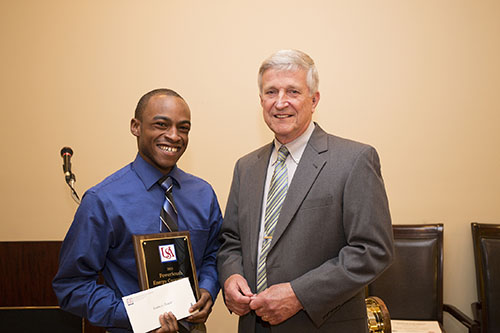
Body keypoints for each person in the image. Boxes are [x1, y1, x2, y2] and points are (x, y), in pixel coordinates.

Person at [217, 49, 394, 332]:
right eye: (271, 92)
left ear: (314, 100)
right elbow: (231, 240)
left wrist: (300, 294)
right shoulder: (246, 167)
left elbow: (372, 250)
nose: (280, 102)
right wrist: (231, 276)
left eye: (293, 91)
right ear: (261, 100)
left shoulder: (354, 160)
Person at [53, 88, 222, 332]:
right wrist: (138, 317)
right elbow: (72, 286)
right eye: (161, 124)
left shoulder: (203, 194)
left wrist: (207, 288)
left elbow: (214, 253)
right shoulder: (102, 200)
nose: (174, 136)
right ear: (136, 126)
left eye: (183, 128)